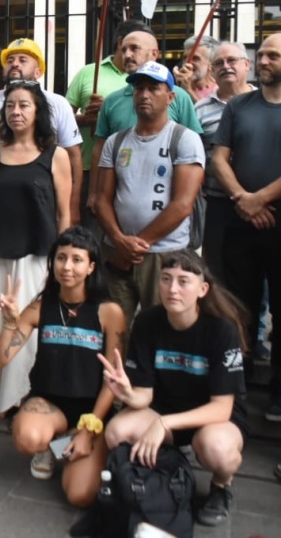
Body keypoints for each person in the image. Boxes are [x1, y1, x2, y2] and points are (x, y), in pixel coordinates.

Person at [100, 250, 248, 528]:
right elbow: (146, 394)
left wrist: (164, 423)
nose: (172, 289)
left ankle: (220, 486)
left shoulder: (221, 330)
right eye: (166, 279)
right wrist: (129, 394)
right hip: (165, 409)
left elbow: (221, 407)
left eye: (183, 281)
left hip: (213, 418)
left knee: (217, 449)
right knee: (116, 431)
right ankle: (170, 469)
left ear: (203, 289)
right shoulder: (148, 321)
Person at [0, 227, 125, 505]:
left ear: (91, 267)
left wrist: (89, 429)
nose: (67, 267)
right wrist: (9, 322)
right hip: (49, 403)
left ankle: (84, 443)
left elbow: (112, 380)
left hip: (93, 410)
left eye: (77, 260)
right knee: (29, 438)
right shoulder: (41, 307)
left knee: (79, 495)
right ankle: (51, 444)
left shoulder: (109, 312)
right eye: (61, 258)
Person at [0, 79, 72, 421]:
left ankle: (19, 397)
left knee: (26, 325)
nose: (16, 112)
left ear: (38, 111)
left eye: (24, 105)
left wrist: (63, 262)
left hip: (37, 257)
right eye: (10, 105)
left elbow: (64, 213)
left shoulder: (55, 156)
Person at [95, 61, 205, 323]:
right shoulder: (116, 141)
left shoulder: (184, 139)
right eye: (139, 88)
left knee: (161, 327)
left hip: (163, 254)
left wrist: (134, 246)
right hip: (117, 252)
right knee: (114, 329)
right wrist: (119, 241)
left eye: (153, 88)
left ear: (170, 97)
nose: (144, 95)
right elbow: (101, 199)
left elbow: (182, 205)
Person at [212, 32, 281, 420]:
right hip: (240, 220)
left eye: (273, 55)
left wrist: (261, 198)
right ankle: (236, 386)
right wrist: (243, 198)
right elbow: (220, 158)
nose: (264, 60)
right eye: (263, 54)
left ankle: (278, 393)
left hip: (275, 219)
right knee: (239, 306)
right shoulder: (239, 106)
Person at [88, 29, 203, 219]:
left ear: (154, 54)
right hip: (118, 204)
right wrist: (93, 192)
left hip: (169, 209)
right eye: (123, 49)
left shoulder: (181, 97)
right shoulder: (111, 101)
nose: (127, 55)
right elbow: (99, 149)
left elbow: (194, 150)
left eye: (134, 49)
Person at [0, 37, 83, 224]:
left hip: (43, 199)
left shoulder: (58, 103)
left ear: (38, 71)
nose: (15, 64)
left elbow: (73, 155)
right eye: (10, 61)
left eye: (22, 60)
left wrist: (73, 205)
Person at [66, 20, 151, 232]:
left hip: (137, 172)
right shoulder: (88, 72)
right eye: (129, 47)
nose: (132, 53)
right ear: (121, 42)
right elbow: (63, 119)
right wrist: (87, 119)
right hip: (89, 168)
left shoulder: (152, 81)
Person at [194, 41, 255, 280]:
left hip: (263, 206)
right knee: (217, 275)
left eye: (232, 61)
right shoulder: (199, 110)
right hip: (217, 206)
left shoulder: (266, 103)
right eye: (219, 63)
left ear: (247, 65)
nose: (226, 66)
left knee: (258, 277)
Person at [173, 34, 219, 103]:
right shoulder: (174, 92)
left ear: (211, 63)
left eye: (195, 58)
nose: (187, 63)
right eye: (185, 58)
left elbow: (208, 113)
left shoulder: (222, 90)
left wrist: (189, 90)